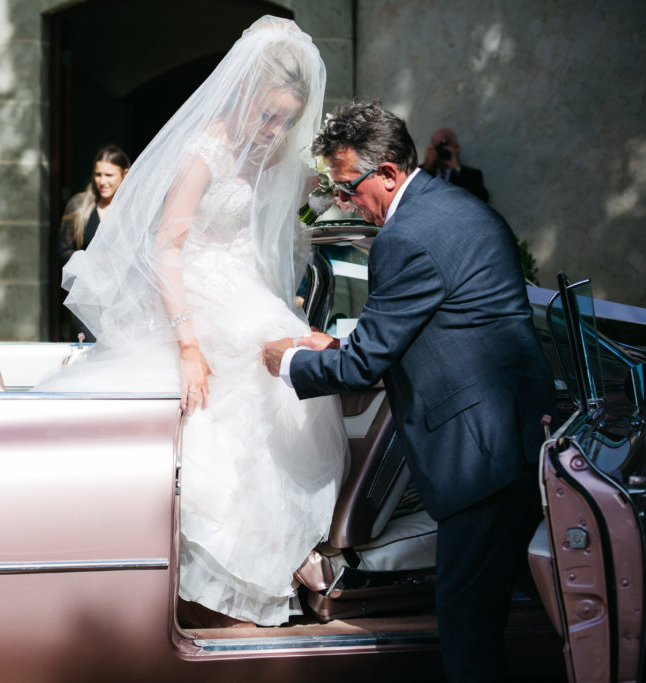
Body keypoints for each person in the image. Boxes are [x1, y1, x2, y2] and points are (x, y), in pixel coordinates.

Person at [36, 16, 349, 627]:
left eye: (287, 121)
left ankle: (282, 556)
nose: (275, 131)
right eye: (268, 117)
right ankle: (230, 575)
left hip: (247, 296)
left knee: (291, 401)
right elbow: (165, 246)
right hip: (197, 303)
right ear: (245, 95)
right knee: (218, 432)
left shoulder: (274, 155)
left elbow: (293, 213)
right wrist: (187, 343)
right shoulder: (206, 148)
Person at [262, 100, 555, 681]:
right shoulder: (458, 208)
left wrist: (287, 361)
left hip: (477, 457)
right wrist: (338, 348)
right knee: (500, 618)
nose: (345, 203)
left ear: (389, 173)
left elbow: (362, 367)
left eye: (347, 189)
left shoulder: (405, 239)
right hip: (516, 438)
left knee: (469, 635)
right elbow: (440, 328)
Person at [58, 145, 131, 341]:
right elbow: (64, 251)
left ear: (125, 174)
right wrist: (91, 260)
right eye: (98, 174)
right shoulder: (79, 206)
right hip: (89, 299)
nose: (102, 181)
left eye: (109, 175)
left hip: (123, 298)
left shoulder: (132, 209)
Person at [420, 127, 489, 202]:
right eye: (437, 148)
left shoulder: (472, 175)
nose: (440, 151)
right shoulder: (420, 172)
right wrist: (427, 167)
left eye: (444, 147)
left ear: (456, 148)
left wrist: (457, 169)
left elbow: (481, 200)